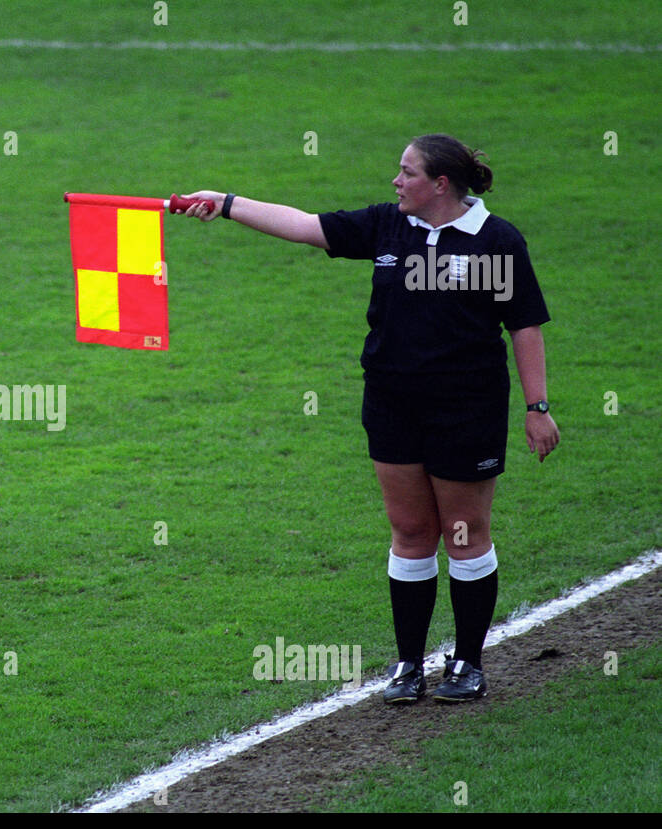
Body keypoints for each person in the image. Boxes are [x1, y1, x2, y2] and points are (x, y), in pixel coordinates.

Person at [179, 134, 559, 703]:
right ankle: (409, 665)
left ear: (440, 184)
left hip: (466, 408)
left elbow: (524, 325)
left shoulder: (496, 241)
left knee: (464, 534)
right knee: (409, 532)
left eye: (406, 173)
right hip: (391, 404)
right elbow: (303, 224)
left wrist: (537, 408)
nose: (395, 181)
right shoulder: (388, 226)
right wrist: (226, 202)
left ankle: (468, 664)